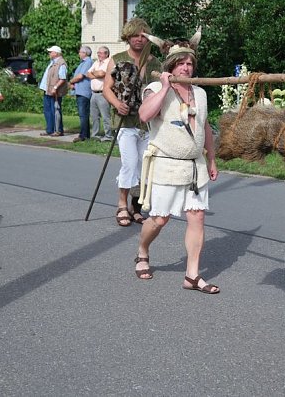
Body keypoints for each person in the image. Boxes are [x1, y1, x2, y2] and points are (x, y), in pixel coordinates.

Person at [132, 45, 219, 293]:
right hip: (166, 165)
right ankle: (143, 251)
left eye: (190, 63)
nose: (186, 67)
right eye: (181, 63)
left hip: (195, 166)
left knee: (197, 216)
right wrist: (166, 87)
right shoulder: (156, 88)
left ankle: (192, 275)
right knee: (160, 219)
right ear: (170, 65)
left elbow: (205, 127)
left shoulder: (199, 93)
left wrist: (211, 159)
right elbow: (144, 115)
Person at [102, 18, 161, 227]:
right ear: (128, 37)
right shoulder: (117, 59)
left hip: (148, 124)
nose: (139, 39)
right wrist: (118, 104)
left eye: (143, 36)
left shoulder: (154, 62)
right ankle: (121, 205)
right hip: (125, 122)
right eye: (135, 35)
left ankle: (136, 206)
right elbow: (106, 87)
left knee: (144, 166)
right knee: (129, 163)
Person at [39, 45, 68, 137]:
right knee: (48, 111)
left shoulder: (61, 63)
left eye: (50, 52)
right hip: (48, 90)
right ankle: (50, 129)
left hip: (54, 91)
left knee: (55, 111)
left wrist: (55, 88)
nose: (49, 53)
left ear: (56, 53)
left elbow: (62, 78)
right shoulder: (52, 62)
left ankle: (58, 130)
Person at [87, 46, 113, 141]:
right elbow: (88, 74)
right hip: (94, 93)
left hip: (103, 93)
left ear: (106, 54)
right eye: (98, 52)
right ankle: (95, 134)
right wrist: (96, 74)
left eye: (100, 53)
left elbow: (102, 74)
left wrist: (95, 73)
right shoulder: (96, 62)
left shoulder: (109, 62)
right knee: (94, 116)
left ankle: (108, 136)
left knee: (105, 116)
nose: (98, 54)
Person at [69, 45, 93, 142]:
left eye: (80, 52)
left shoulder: (88, 62)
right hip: (79, 91)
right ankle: (85, 134)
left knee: (83, 114)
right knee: (82, 114)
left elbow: (80, 76)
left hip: (84, 92)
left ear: (85, 53)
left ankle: (83, 135)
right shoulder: (82, 63)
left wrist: (71, 82)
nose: (79, 54)